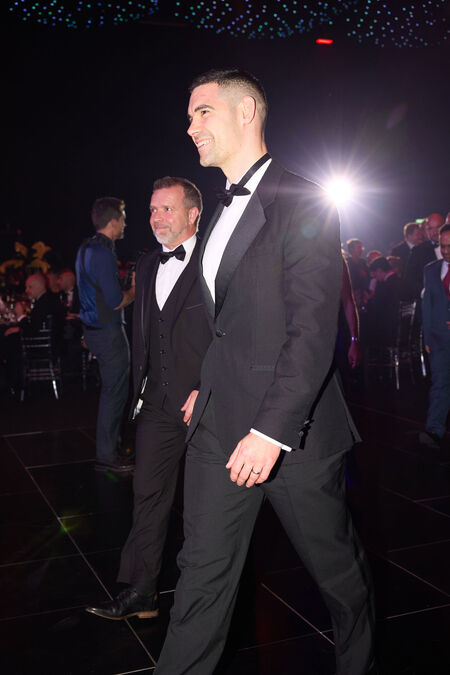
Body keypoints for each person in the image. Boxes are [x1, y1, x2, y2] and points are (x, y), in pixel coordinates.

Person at [155, 69, 375, 675]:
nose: (191, 126)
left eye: (202, 112)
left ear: (246, 111)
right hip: (218, 423)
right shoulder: (215, 211)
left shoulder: (301, 199)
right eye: (190, 116)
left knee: (336, 573)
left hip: (290, 433)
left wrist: (271, 430)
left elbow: (312, 332)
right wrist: (205, 382)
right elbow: (229, 322)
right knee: (201, 574)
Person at [85, 177, 211, 621]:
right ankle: (141, 592)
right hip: (156, 401)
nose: (156, 217)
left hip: (206, 403)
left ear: (193, 214)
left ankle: (204, 602)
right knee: (147, 497)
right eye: (153, 210)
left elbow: (233, 332)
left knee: (205, 508)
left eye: (167, 209)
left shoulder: (215, 260)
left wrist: (211, 386)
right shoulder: (146, 264)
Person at [75, 197, 135, 472]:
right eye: (123, 218)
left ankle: (109, 450)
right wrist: (135, 290)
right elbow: (115, 301)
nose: (125, 223)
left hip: (94, 330)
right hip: (108, 333)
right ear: (113, 221)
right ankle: (108, 456)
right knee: (115, 393)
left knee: (111, 392)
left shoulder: (85, 248)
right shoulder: (103, 253)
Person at [419, 224, 450, 452]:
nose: (446, 251)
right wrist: (427, 338)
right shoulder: (431, 270)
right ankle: (434, 429)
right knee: (439, 383)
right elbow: (427, 305)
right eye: (443, 245)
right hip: (438, 339)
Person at [404, 213, 444, 299]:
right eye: (430, 228)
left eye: (438, 227)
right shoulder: (418, 251)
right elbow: (410, 279)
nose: (435, 232)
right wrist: (425, 293)